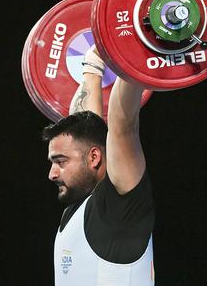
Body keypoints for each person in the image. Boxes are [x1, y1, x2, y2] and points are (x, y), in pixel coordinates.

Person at [42, 46, 155, 285]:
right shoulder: (83, 209)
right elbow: (86, 125)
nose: (52, 174)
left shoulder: (118, 209)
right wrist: (93, 65)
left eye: (60, 162)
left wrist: (135, 49)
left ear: (94, 158)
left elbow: (123, 126)